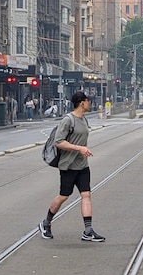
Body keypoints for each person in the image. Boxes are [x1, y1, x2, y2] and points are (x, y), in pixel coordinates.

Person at [38, 91, 105, 243]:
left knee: (86, 195)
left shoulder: (84, 120)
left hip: (82, 165)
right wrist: (79, 148)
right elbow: (59, 142)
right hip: (68, 166)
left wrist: (83, 150)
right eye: (88, 101)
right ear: (81, 103)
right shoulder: (68, 120)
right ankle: (46, 223)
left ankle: (88, 231)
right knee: (64, 196)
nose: (90, 103)